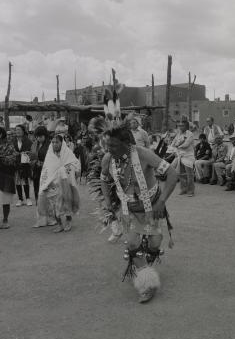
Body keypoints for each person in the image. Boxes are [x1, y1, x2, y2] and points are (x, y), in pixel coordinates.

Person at [99, 121, 178, 303]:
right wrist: (109, 201)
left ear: (127, 144)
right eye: (107, 144)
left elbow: (172, 174)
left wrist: (161, 202)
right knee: (133, 244)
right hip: (129, 211)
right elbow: (104, 179)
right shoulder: (108, 159)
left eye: (113, 145)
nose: (109, 149)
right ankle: (146, 284)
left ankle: (141, 262)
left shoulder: (144, 155)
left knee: (154, 245)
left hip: (152, 209)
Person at [37, 135, 81, 233]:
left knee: (67, 201)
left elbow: (75, 164)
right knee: (54, 205)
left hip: (66, 182)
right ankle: (60, 224)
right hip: (52, 184)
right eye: (52, 142)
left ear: (62, 143)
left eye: (57, 142)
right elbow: (46, 169)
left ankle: (68, 221)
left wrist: (63, 170)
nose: (54, 144)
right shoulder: (50, 155)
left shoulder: (68, 153)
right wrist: (48, 182)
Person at [170, 119, 195, 196]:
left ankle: (191, 191)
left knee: (189, 174)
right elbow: (172, 144)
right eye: (179, 125)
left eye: (182, 125)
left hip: (188, 156)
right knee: (180, 174)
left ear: (186, 126)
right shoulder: (178, 134)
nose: (180, 127)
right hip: (180, 155)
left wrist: (178, 145)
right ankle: (184, 189)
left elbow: (186, 145)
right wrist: (176, 148)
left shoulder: (190, 134)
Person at [13, 124, 33, 206]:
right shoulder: (13, 141)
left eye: (19, 130)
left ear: (23, 131)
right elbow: (11, 151)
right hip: (16, 163)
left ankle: (28, 198)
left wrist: (27, 153)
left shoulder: (28, 141)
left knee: (25, 181)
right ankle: (20, 199)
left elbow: (31, 152)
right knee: (17, 181)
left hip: (25, 164)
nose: (17, 131)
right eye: (16, 130)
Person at [29, 126, 49, 203]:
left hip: (46, 171)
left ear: (45, 135)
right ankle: (39, 204)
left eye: (40, 136)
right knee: (36, 187)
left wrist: (41, 163)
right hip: (36, 170)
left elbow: (52, 159)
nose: (38, 138)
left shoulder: (50, 145)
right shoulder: (34, 144)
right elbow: (31, 156)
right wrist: (31, 159)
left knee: (46, 189)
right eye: (37, 136)